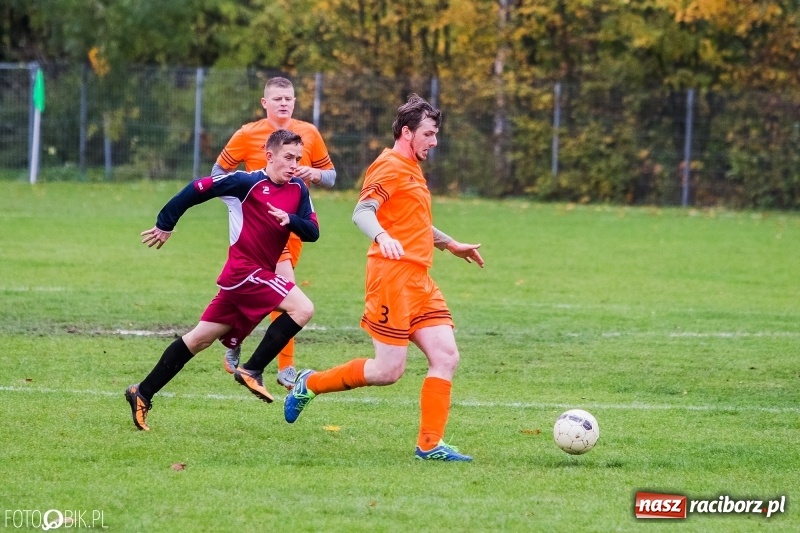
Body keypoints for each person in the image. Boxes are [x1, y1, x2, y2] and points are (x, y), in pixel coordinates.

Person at [283, 94, 484, 462]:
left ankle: (429, 445)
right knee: (388, 371)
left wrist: (450, 244)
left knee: (446, 356)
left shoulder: (411, 166)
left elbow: (413, 222)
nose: (434, 142)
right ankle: (309, 383)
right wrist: (382, 236)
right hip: (391, 277)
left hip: (419, 278)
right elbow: (362, 212)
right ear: (407, 133)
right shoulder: (389, 165)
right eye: (429, 134)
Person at [125, 130, 319, 431]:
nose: (294, 164)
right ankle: (253, 369)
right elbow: (197, 188)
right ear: (270, 156)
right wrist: (165, 223)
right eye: (288, 157)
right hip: (244, 273)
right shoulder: (244, 183)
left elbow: (312, 231)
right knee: (303, 308)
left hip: (252, 279)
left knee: (198, 339)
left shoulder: (298, 190)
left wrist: (289, 220)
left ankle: (142, 392)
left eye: (298, 158)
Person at [212, 76, 336, 390]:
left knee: (268, 292)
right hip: (259, 228)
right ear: (264, 103)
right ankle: (285, 367)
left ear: (295, 102)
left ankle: (234, 336)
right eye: (277, 98)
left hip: (292, 226)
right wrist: (237, 195)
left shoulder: (307, 133)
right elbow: (218, 172)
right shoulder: (248, 134)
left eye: (289, 98)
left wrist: (315, 174)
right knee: (286, 291)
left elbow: (332, 176)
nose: (284, 103)